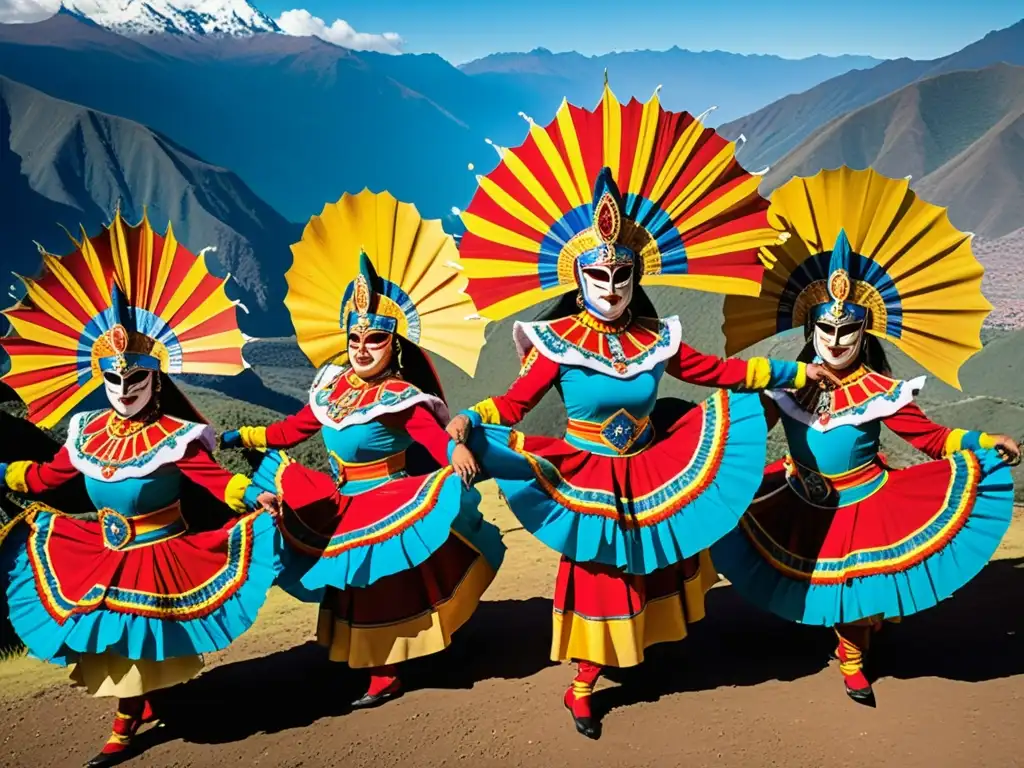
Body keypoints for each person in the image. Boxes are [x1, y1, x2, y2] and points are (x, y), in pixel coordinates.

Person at [444, 82, 838, 739]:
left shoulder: (659, 340)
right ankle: (581, 685)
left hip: (650, 463)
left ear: (636, 276)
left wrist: (795, 371)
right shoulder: (554, 343)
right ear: (577, 278)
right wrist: (468, 421)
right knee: (599, 576)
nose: (609, 288)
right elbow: (513, 402)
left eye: (620, 276)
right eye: (597, 278)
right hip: (586, 473)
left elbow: (721, 371)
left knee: (651, 564)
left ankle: (636, 654)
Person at [710, 166, 1020, 704]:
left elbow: (931, 439)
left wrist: (981, 443)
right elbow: (740, 432)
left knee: (855, 586)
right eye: (825, 330)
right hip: (799, 492)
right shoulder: (785, 385)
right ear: (810, 329)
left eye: (846, 330)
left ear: (863, 330)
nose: (834, 340)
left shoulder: (882, 389)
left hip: (864, 497)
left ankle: (852, 659)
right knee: (778, 558)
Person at [0, 213, 282, 767]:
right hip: (103, 550)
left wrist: (255, 497)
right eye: (113, 379)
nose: (123, 390)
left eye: (136, 379)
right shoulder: (85, 432)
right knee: (114, 639)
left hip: (160, 550)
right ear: (99, 376)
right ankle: (143, 705)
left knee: (129, 643)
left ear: (157, 378)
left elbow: (216, 480)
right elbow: (48, 478)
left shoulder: (176, 437)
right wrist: (3, 472)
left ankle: (125, 724)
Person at [221, 190, 506, 709]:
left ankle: (385, 674)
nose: (360, 347)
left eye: (373, 339)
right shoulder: (331, 387)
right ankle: (389, 657)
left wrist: (456, 454)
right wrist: (244, 437)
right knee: (363, 585)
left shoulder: (400, 395)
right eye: (354, 337)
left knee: (380, 588)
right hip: (343, 497)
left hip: (389, 496)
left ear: (394, 344)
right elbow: (295, 430)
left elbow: (430, 436)